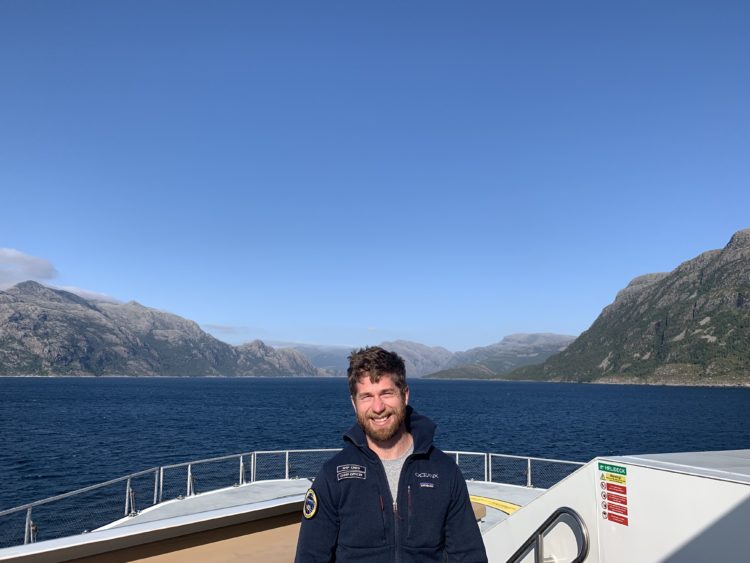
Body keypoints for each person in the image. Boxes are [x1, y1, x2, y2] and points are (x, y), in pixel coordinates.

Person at [295, 346, 488, 562]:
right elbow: (310, 557)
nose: (378, 407)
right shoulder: (334, 476)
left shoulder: (444, 472)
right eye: (366, 396)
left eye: (386, 393)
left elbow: (469, 556)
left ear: (404, 395)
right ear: (354, 403)